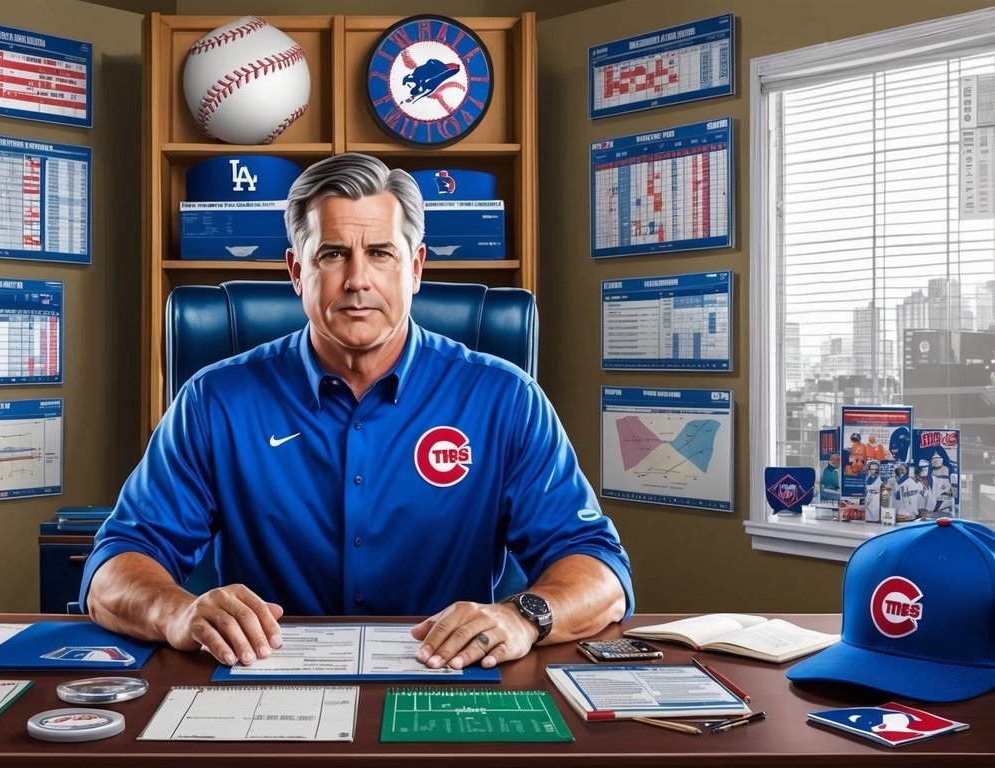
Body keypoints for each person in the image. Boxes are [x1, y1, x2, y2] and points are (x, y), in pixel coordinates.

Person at [80, 153, 633, 672]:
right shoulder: (213, 402)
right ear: (298, 272)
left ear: (415, 268)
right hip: (265, 679)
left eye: (381, 253)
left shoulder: (505, 399)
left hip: (450, 677)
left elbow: (599, 570)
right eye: (333, 254)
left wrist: (522, 617)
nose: (357, 280)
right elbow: (116, 567)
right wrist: (176, 611)